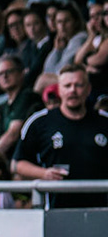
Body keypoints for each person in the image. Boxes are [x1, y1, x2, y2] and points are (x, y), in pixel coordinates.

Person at [14, 67, 108, 207]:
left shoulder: (104, 121)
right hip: (56, 210)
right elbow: (17, 164)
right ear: (59, 89)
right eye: (67, 86)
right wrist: (44, 173)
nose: (73, 90)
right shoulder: (40, 122)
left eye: (78, 85)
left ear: (88, 89)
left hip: (101, 212)